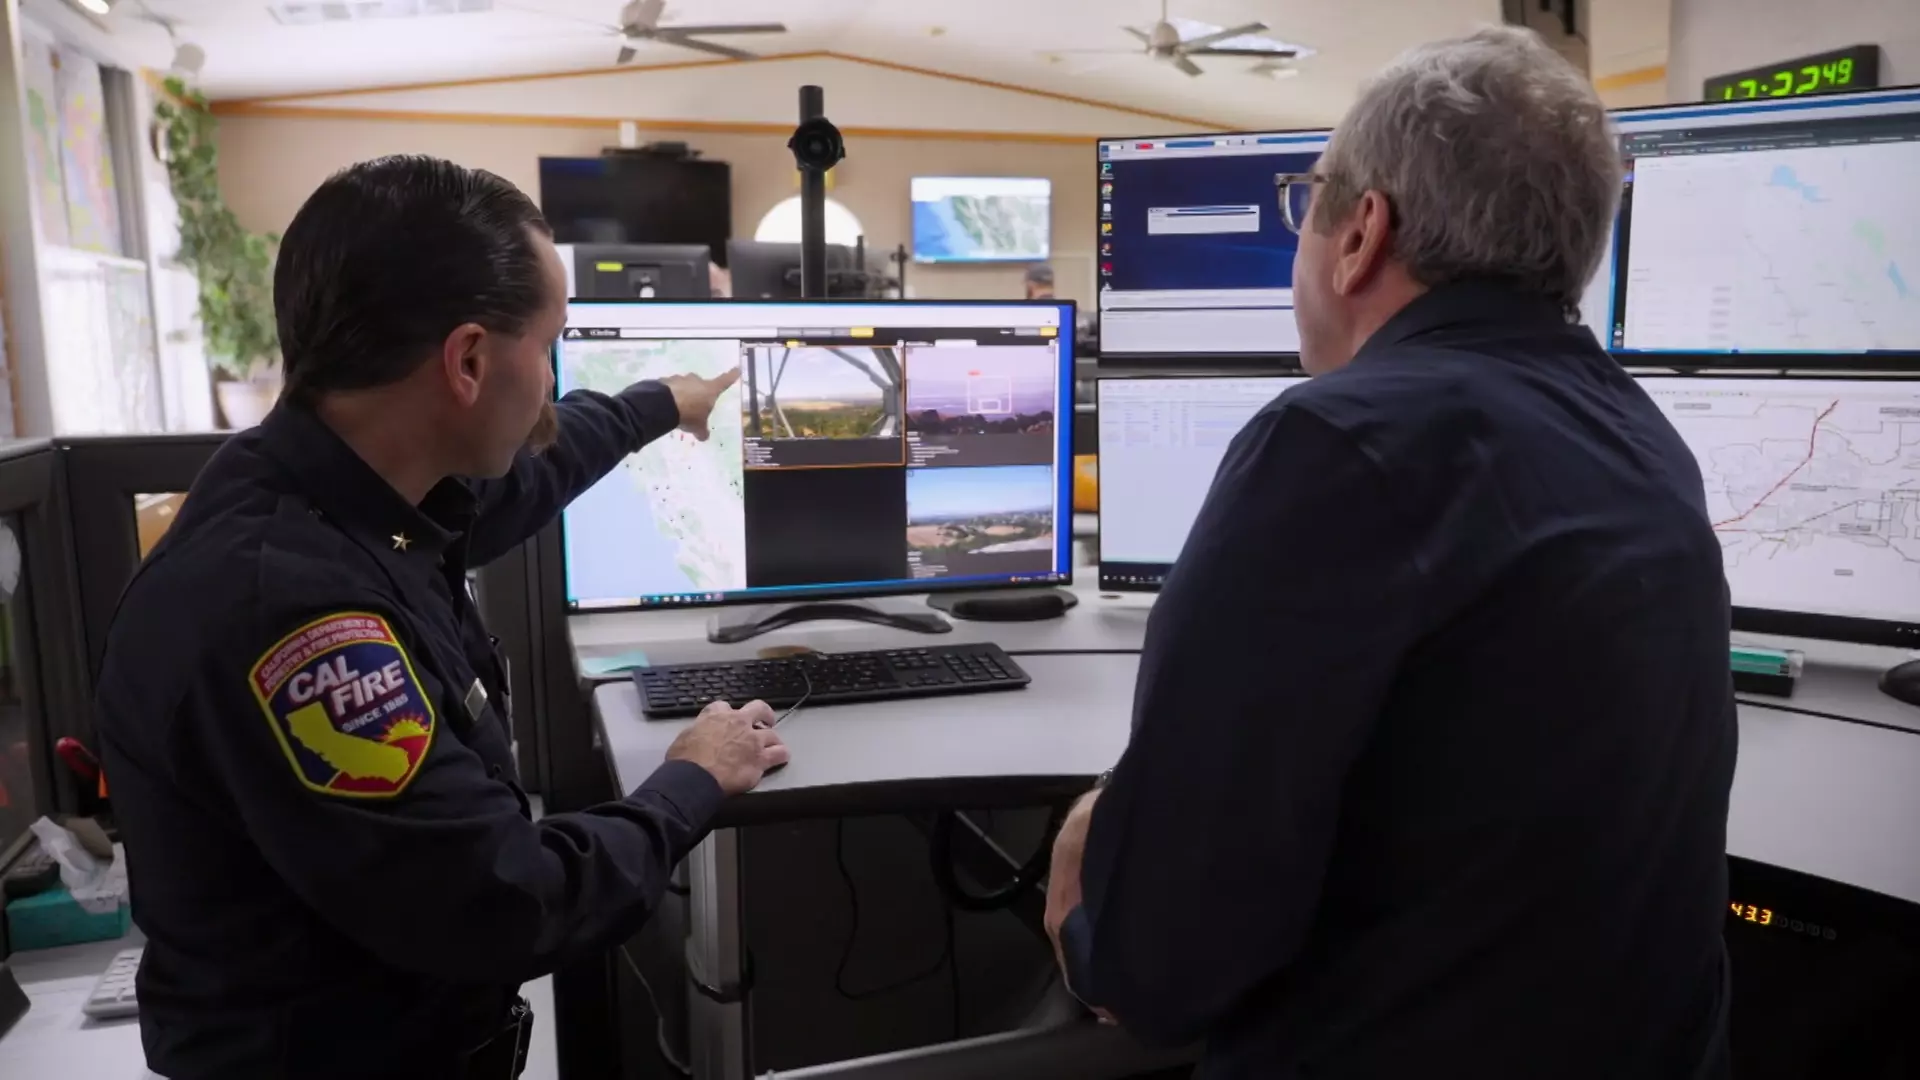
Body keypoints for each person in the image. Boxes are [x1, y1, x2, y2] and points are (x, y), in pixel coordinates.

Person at [1046, 26, 1735, 1079]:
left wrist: (1079, 885)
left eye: (1306, 204)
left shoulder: (1333, 443)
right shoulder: (1645, 439)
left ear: (1362, 231)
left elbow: (1159, 975)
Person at [93, 156, 789, 1079]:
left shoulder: (329, 484)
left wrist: (660, 404)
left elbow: (528, 476)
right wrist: (691, 779)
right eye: (548, 346)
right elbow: (507, 902)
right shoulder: (293, 619)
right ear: (467, 362)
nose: (549, 381)